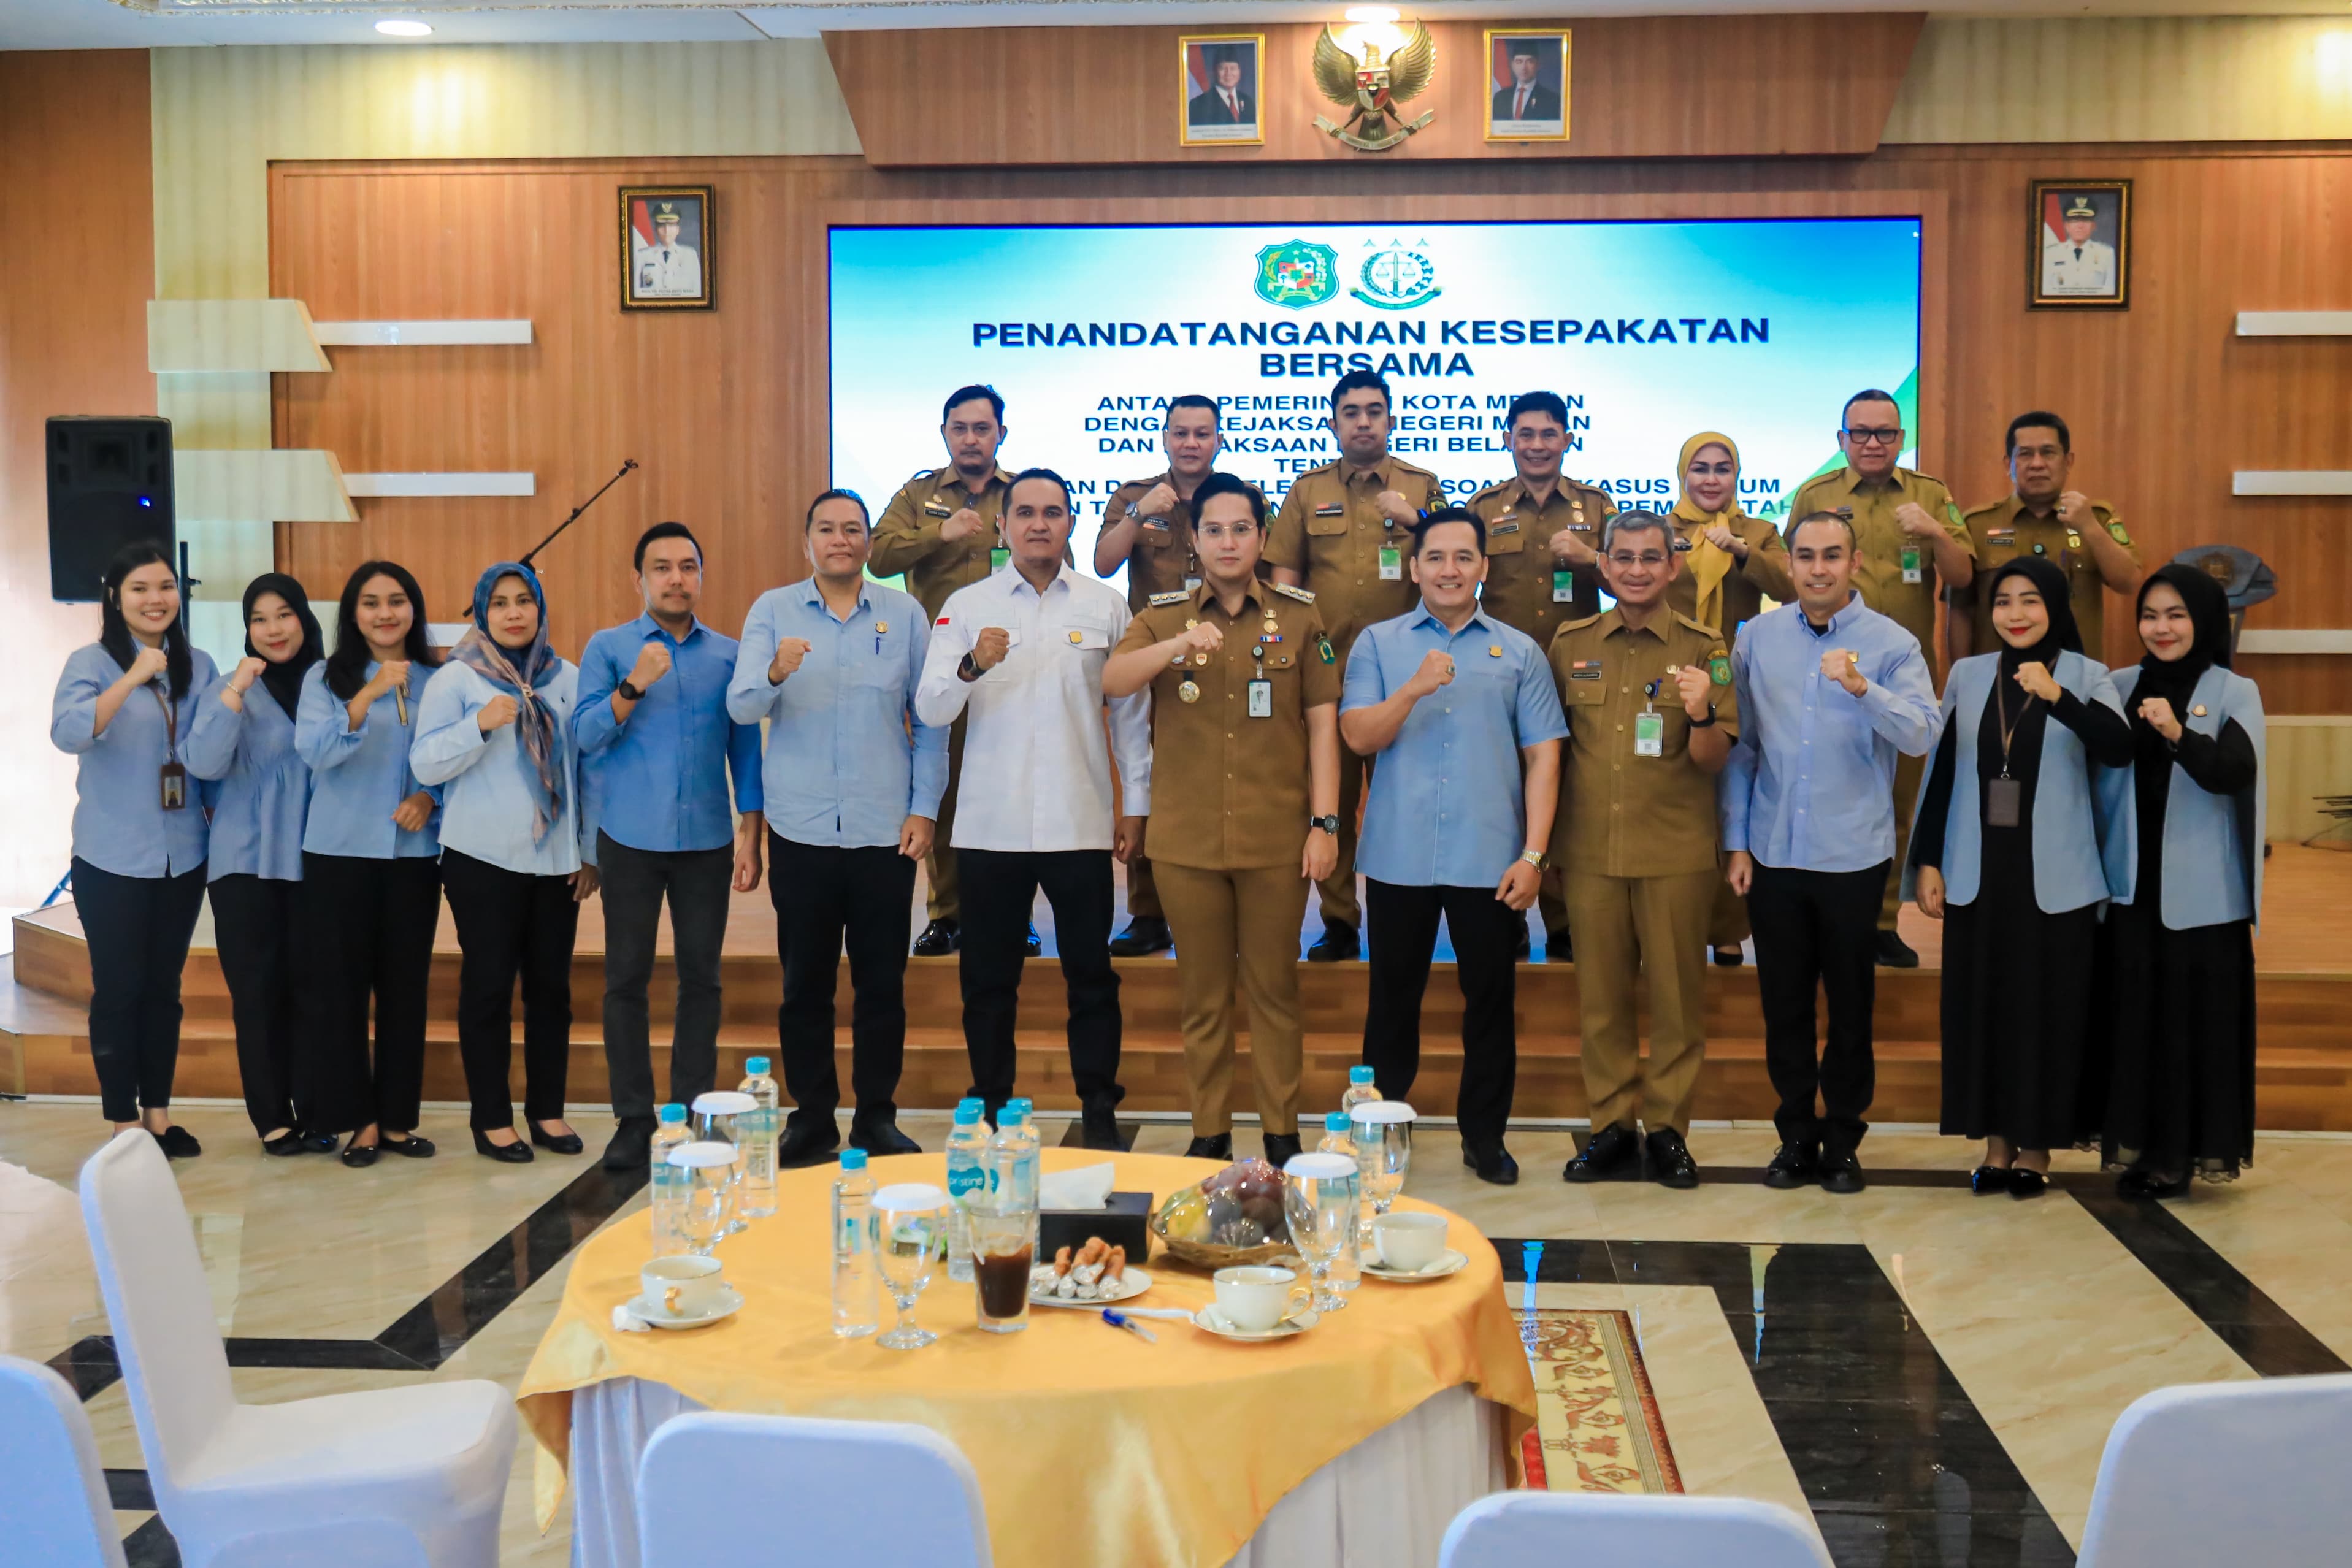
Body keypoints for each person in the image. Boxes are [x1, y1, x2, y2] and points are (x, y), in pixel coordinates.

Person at [1103, 473, 1342, 1167]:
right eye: (1214, 529)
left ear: (1263, 538)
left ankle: (1280, 1132)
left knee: (1275, 991)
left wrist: (1325, 824)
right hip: (1188, 842)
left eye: (1242, 529)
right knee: (1202, 997)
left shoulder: (1301, 616)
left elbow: (1322, 726)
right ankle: (1209, 1132)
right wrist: (1176, 646)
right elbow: (1112, 682)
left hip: (1277, 839)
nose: (1228, 541)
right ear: (1195, 539)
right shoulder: (1163, 613)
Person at [915, 467, 1149, 1146]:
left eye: (1052, 511)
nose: (1038, 523)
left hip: (1079, 821)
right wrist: (971, 667)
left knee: (1091, 978)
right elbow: (931, 708)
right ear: (1003, 525)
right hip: (991, 826)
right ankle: (990, 1105)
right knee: (987, 982)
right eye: (1025, 513)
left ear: (1071, 522)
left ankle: (1099, 1107)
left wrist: (1136, 805)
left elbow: (1130, 716)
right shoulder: (966, 606)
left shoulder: (1104, 606)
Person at [1341, 507, 1564, 1185]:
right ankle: (1380, 1138)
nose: (1448, 570)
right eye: (1435, 557)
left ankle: (1485, 1138)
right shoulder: (1378, 644)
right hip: (1398, 856)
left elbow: (1544, 758)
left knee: (1490, 1004)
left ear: (1483, 568)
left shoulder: (1519, 650)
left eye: (1463, 557)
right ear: (1413, 568)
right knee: (1391, 1006)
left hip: (1489, 860)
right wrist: (1413, 687)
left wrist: (1532, 856)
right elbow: (1357, 737)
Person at [1721, 513, 1937, 1193]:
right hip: (1773, 850)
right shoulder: (1755, 637)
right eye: (1806, 556)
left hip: (1853, 854)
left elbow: (1920, 734)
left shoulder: (1892, 642)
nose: (1818, 569)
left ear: (1855, 562)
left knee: (1849, 1005)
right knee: (1783, 1005)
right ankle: (1794, 1136)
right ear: (1788, 563)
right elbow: (1743, 746)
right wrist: (1735, 840)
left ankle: (1842, 1138)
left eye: (1832, 556)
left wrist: (1862, 688)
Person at [1907, 558, 2133, 1198]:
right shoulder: (1970, 674)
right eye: (2002, 601)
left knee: (2046, 1012)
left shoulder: (2088, 674)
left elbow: (2118, 749)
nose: (2015, 614)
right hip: (1980, 869)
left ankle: (2036, 1146)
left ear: (2055, 607)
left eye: (2030, 601)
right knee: (1982, 1009)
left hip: (2056, 875)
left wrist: (2060, 697)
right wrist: (1929, 859)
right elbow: (1945, 771)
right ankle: (1996, 1144)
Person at [730, 489, 945, 1164]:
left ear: (868, 544)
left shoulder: (904, 613)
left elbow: (930, 720)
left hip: (886, 829)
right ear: (808, 542)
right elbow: (740, 707)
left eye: (853, 529)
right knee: (805, 987)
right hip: (802, 828)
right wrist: (773, 671)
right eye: (827, 529)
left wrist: (925, 807)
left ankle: (877, 1117)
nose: (841, 540)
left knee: (883, 985)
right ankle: (812, 1118)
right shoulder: (773, 611)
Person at [1550, 512, 1736, 1188]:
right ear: (1602, 566)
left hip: (1675, 851)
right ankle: (1608, 1128)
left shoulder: (1704, 646)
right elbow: (1549, 749)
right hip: (1591, 850)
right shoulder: (1570, 642)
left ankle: (1666, 1130)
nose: (1635, 570)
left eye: (1649, 559)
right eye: (1622, 558)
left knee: (1677, 999)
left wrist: (1701, 713)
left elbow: (1715, 759)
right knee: (1599, 999)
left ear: (1672, 566)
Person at [574, 522, 765, 1172]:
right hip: (628, 837)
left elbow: (744, 745)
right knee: (625, 979)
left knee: (701, 981)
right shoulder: (609, 648)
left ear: (701, 576)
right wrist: (634, 684)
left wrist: (751, 828)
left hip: (708, 838)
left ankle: (695, 1113)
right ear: (640, 579)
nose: (676, 578)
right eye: (662, 567)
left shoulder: (727, 654)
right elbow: (586, 735)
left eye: (688, 566)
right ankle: (633, 1117)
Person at [1783, 390, 1974, 968]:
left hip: (1901, 671)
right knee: (1821, 792)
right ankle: (1820, 919)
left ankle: (1881, 922)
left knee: (1896, 801)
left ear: (1900, 438)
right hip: (1824, 667)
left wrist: (1936, 532)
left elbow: (1964, 576)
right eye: (1860, 433)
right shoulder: (1815, 496)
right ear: (1840, 439)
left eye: (1885, 433)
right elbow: (1793, 568)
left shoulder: (1931, 495)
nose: (1872, 443)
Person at [412, 562, 592, 1163]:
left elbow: (583, 771)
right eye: (500, 603)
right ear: (482, 612)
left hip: (554, 860)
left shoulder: (566, 677)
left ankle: (547, 1109)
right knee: (488, 990)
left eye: (525, 601)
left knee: (552, 993)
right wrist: (478, 725)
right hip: (481, 858)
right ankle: (490, 1118)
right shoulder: (457, 679)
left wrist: (587, 852)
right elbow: (425, 765)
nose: (514, 612)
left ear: (540, 609)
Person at [2096, 565, 2264, 1198]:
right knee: (2135, 1023)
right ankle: (2138, 1147)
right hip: (2130, 890)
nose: (2160, 628)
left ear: (2204, 621)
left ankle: (2180, 1154)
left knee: (2190, 1028)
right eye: (2149, 615)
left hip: (2203, 898)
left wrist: (2174, 731)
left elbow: (2232, 773)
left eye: (2175, 615)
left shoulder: (2233, 690)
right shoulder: (2118, 685)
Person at [1267, 370, 1447, 961]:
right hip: (1330, 673)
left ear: (1391, 419)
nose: (1363, 421)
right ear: (1334, 421)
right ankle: (1340, 920)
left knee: (1409, 798)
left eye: (1374, 410)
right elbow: (1285, 578)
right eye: (1351, 412)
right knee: (1332, 802)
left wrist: (1415, 521)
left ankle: (1411, 911)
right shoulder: (1306, 488)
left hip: (1409, 676)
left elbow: (1456, 564)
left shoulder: (1423, 487)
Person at [49, 543, 219, 1156]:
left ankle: (158, 1116)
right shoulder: (91, 662)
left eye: (166, 586)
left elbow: (212, 751)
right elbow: (69, 733)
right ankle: (122, 1121)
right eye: (141, 588)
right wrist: (132, 678)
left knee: (163, 989)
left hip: (184, 852)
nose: (156, 599)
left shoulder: (199, 665)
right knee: (119, 986)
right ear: (116, 599)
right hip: (110, 855)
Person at [1093, 394, 1256, 957]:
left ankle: (1227, 904)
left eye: (1202, 433)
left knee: (1226, 772)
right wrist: (1140, 514)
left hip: (1233, 649)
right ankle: (1146, 911)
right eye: (1180, 433)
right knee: (1149, 776)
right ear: (1163, 437)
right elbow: (1103, 563)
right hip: (1158, 657)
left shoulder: (1240, 497)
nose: (1191, 443)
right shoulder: (1135, 495)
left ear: (1218, 439)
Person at [296, 561, 445, 1168]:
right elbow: (316, 750)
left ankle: (396, 1120)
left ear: (414, 608)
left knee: (405, 991)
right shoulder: (324, 678)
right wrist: (367, 695)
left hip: (414, 857)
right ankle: (357, 1119)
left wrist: (428, 796)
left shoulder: (443, 679)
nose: (386, 613)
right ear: (352, 615)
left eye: (397, 600)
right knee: (342, 993)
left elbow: (462, 754)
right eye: (370, 603)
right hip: (339, 853)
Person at [1465, 390, 1617, 960]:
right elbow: (1458, 582)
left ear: (1567, 440)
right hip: (1499, 673)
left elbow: (1630, 581)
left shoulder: (1596, 508)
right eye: (1524, 434)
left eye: (1547, 434)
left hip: (1577, 672)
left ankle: (1563, 922)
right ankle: (1502, 918)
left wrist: (1591, 559)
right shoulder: (1482, 508)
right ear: (1507, 439)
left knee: (1568, 797)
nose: (1535, 445)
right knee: (1500, 794)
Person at [872, 385, 1017, 958]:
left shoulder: (1021, 493)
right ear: (945, 434)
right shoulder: (919, 493)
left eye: (982, 428)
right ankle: (948, 914)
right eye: (959, 428)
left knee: (1009, 791)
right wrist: (941, 533)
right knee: (944, 790)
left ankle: (1013, 916)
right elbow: (878, 555)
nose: (971, 438)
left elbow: (1066, 563)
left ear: (1000, 434)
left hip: (1010, 666)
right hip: (941, 669)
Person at [184, 573, 326, 1156]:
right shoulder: (229, 686)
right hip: (245, 863)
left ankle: (317, 1107)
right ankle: (271, 1116)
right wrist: (236, 690)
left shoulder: (331, 681)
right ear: (247, 630)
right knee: (258, 990)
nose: (273, 629)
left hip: (317, 856)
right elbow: (203, 763)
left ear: (305, 618)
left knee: (313, 988)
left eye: (284, 614)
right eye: (259, 619)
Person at [1667, 430, 1795, 967]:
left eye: (1723, 469)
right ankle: (1674, 924)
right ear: (1682, 474)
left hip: (1738, 676)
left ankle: (1726, 927)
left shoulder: (1759, 531)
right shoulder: (1662, 529)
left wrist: (1741, 552)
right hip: (1673, 675)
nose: (1711, 479)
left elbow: (1789, 587)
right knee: (1676, 802)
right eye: (1700, 468)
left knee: (1731, 803)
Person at [1952, 412, 2140, 662]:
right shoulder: (1978, 524)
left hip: (2074, 678)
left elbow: (2129, 582)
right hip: (1998, 678)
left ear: (2068, 461)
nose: (2037, 464)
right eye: (2025, 454)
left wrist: (2090, 528)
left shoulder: (2096, 518)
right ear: (2008, 464)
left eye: (2048, 452)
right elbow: (1961, 609)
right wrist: (1963, 678)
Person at [2041, 198, 2116, 296]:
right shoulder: (2051, 254)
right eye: (2075, 220)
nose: (2080, 225)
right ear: (2067, 226)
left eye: (2085, 220)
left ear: (2093, 226)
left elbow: (2110, 292)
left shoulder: (2106, 254)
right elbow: (2046, 291)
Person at [633, 202, 702, 297]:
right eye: (662, 225)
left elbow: (698, 292)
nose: (667, 230)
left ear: (678, 229)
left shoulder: (690, 256)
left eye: (671, 225)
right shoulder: (643, 256)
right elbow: (635, 293)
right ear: (656, 229)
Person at [1491, 40, 1561, 123]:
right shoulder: (1500, 98)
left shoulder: (1551, 100)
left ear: (1538, 65)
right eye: (1519, 62)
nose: (1524, 67)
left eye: (1530, 62)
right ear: (1512, 65)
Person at [1187, 52, 1254, 126]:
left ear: (1239, 72)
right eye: (1223, 68)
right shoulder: (1198, 105)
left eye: (1233, 68)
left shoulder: (1249, 102)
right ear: (1215, 72)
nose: (1228, 73)